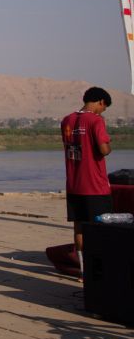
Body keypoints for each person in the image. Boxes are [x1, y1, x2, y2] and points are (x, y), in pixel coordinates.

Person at [61, 86, 114, 275]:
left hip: (74, 185)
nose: (102, 111)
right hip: (95, 186)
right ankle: (99, 271)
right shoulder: (96, 120)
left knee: (79, 228)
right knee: (101, 229)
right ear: (101, 102)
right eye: (104, 108)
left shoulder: (67, 120)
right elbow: (103, 149)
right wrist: (109, 146)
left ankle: (84, 271)